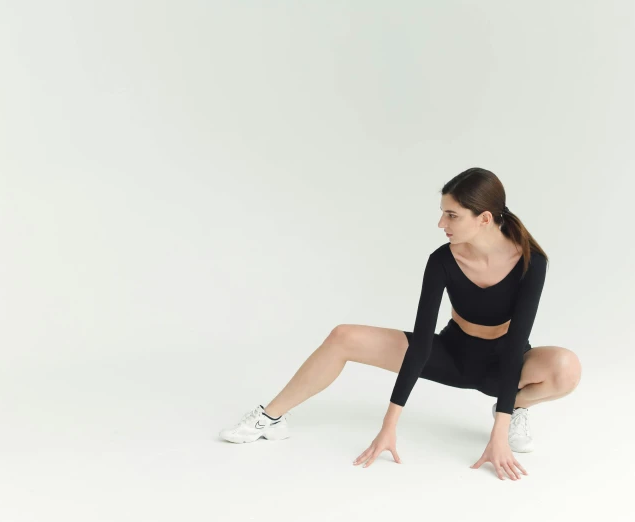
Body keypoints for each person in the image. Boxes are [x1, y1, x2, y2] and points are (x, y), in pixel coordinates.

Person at [218, 167, 582, 481]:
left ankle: (515, 408)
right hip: (451, 354)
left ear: (484, 218)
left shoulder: (532, 263)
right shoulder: (442, 260)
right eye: (442, 213)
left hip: (504, 362)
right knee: (342, 336)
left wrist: (498, 433)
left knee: (566, 367)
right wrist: (389, 425)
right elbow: (422, 341)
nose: (441, 223)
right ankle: (270, 417)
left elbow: (518, 342)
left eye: (452, 215)